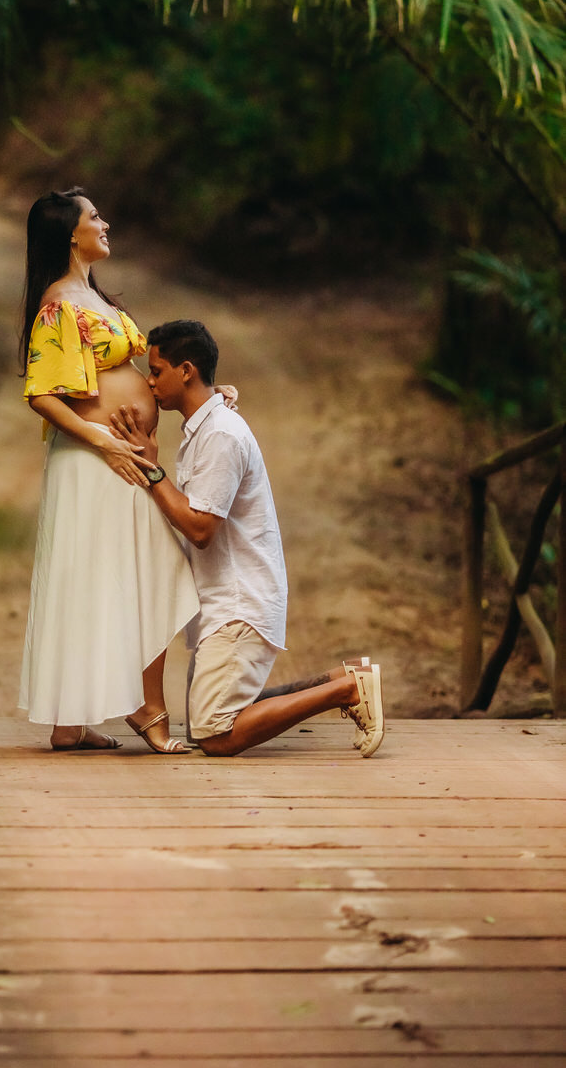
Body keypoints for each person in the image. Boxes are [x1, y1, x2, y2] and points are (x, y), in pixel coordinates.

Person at [110, 319, 384, 757]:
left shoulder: (220, 434)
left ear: (186, 371)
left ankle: (348, 691)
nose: (149, 381)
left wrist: (152, 470)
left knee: (216, 734)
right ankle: (337, 679)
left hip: (240, 606)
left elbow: (200, 529)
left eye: (156, 370)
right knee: (212, 718)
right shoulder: (208, 425)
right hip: (226, 604)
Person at [18, 188, 200, 753]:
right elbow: (42, 393)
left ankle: (71, 724)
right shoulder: (58, 303)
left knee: (130, 573)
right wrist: (102, 438)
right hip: (95, 461)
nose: (105, 222)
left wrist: (208, 393)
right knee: (135, 573)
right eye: (94, 216)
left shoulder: (93, 297)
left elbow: (152, 375)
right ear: (70, 234)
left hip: (121, 457)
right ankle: (147, 709)